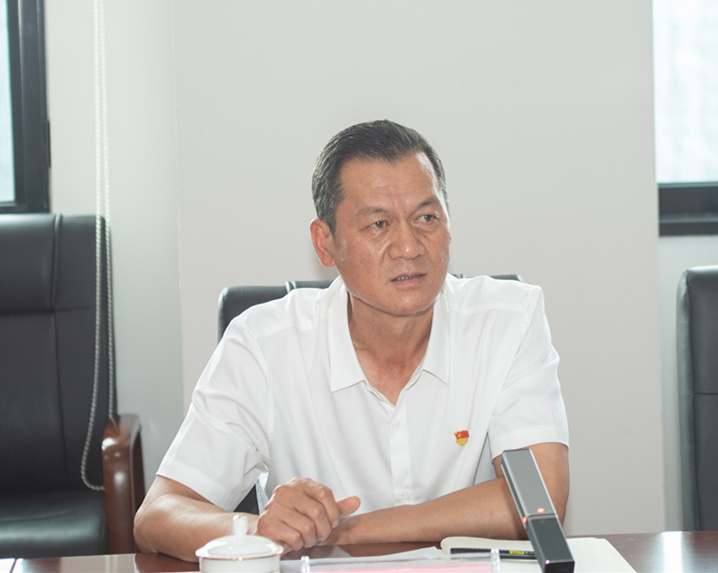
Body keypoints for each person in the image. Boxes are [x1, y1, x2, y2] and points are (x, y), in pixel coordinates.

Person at [133, 120, 570, 562]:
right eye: (378, 224)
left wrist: (349, 530)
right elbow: (158, 514)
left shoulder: (508, 320)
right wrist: (255, 529)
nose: (409, 247)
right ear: (325, 244)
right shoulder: (265, 345)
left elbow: (541, 500)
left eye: (426, 218)